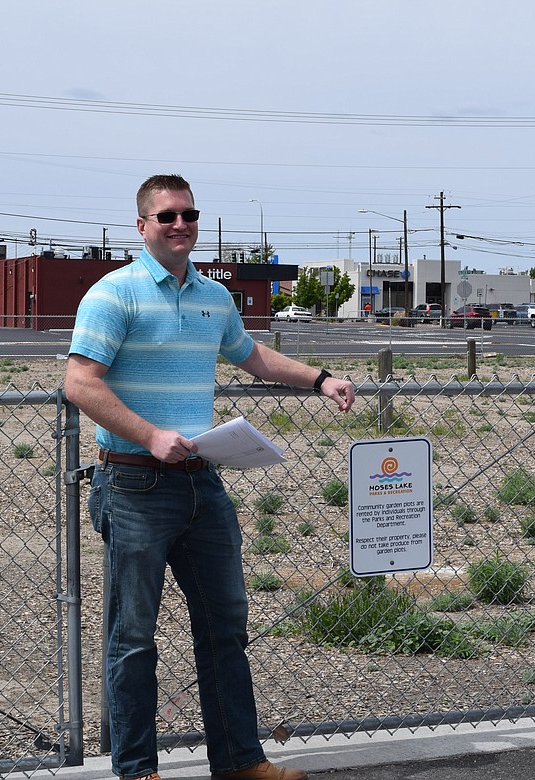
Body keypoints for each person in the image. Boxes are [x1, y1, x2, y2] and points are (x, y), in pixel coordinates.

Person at [65, 173, 355, 780]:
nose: (180, 225)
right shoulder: (113, 294)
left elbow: (250, 356)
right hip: (133, 485)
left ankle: (241, 761)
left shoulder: (213, 296)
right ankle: (137, 768)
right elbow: (79, 383)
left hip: (203, 485)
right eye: (166, 215)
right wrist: (149, 435)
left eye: (189, 215)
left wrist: (320, 379)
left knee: (225, 628)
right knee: (134, 636)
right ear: (142, 225)